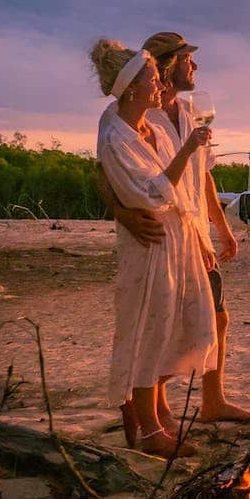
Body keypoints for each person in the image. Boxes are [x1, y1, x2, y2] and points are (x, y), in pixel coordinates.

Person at [90, 38, 213, 457]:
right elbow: (156, 191)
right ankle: (143, 430)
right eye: (153, 76)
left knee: (164, 328)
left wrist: (203, 233)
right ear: (131, 86)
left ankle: (155, 421)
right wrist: (190, 148)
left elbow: (188, 186)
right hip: (150, 241)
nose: (158, 82)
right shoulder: (116, 131)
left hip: (177, 237)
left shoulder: (153, 123)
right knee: (143, 329)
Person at [141, 31, 250, 427]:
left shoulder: (190, 111)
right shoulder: (145, 116)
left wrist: (222, 229)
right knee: (168, 319)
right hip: (166, 234)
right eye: (189, 60)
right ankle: (157, 409)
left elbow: (203, 176)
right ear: (169, 64)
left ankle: (213, 401)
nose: (196, 66)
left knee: (218, 315)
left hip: (198, 233)